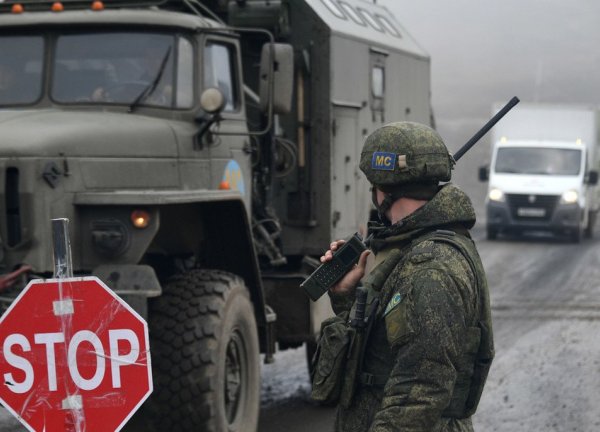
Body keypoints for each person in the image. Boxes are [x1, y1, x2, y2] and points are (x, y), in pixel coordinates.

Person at [314, 121, 494, 432]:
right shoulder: (411, 248)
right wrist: (346, 296)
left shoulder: (431, 267)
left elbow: (421, 387)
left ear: (381, 189)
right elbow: (382, 352)